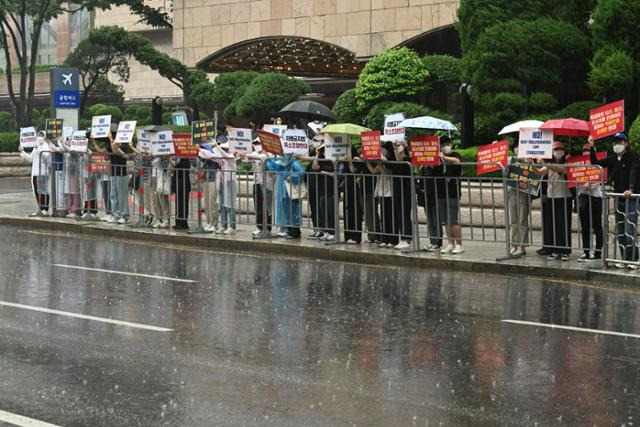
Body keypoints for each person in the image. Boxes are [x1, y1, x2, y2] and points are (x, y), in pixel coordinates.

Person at [589, 132, 640, 269]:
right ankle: (625, 259)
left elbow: (634, 171)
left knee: (630, 229)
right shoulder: (612, 159)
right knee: (621, 230)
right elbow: (595, 163)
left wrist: (631, 188)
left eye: (621, 142)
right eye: (615, 142)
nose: (618, 145)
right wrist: (592, 147)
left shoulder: (632, 156)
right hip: (619, 198)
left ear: (626, 144)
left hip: (631, 198)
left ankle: (633, 260)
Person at [534, 142, 572, 261]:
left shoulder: (566, 163)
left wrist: (545, 163)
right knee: (555, 225)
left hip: (564, 197)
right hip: (552, 197)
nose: (558, 151)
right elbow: (540, 172)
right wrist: (532, 164)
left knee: (564, 225)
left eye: (560, 149)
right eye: (555, 149)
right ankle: (556, 250)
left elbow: (560, 170)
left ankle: (565, 251)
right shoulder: (550, 164)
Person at [237, 139, 273, 236]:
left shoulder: (268, 154)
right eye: (255, 143)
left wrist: (246, 155)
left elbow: (260, 157)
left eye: (258, 143)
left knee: (266, 207)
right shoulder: (255, 152)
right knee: (258, 206)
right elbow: (246, 159)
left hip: (266, 184)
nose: (256, 145)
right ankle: (259, 227)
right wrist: (240, 154)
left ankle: (267, 228)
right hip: (256, 183)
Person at [266, 154, 305, 239]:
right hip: (284, 191)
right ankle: (290, 231)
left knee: (293, 211)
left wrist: (292, 177)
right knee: (287, 212)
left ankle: (295, 232)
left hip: (291, 191)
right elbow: (274, 167)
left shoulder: (294, 163)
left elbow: (302, 172)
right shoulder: (283, 165)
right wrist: (268, 159)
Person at [576, 143, 604, 262]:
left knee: (597, 226)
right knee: (585, 227)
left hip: (595, 198)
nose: (585, 153)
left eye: (588, 151)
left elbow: (597, 182)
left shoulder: (597, 166)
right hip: (583, 197)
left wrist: (588, 184)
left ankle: (598, 252)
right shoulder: (579, 166)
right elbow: (574, 180)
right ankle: (586, 252)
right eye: (584, 151)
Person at [438, 137, 464, 254]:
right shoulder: (438, 158)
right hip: (441, 191)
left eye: (446, 144)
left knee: (453, 220)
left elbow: (457, 161)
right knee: (445, 220)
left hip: (453, 192)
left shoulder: (455, 154)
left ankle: (459, 244)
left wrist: (444, 157)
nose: (444, 146)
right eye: (442, 145)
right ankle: (450, 243)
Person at [368, 146, 396, 248]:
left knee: (390, 217)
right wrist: (367, 161)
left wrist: (380, 163)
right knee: (384, 217)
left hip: (390, 192)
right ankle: (385, 238)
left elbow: (387, 172)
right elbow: (373, 171)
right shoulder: (382, 162)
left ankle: (392, 239)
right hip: (382, 191)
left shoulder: (391, 162)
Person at [507, 144, 532, 256]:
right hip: (512, 192)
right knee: (513, 220)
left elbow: (534, 174)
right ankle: (514, 245)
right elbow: (500, 164)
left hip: (523, 192)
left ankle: (522, 246)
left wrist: (527, 161)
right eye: (516, 148)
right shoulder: (510, 160)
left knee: (522, 219)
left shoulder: (528, 160)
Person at [19, 132, 52, 216]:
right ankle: (40, 208)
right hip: (35, 172)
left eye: (41, 135)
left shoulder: (45, 145)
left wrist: (38, 148)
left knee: (43, 191)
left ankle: (45, 209)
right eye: (39, 135)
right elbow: (31, 159)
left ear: (44, 137)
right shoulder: (36, 146)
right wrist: (22, 152)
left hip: (43, 172)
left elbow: (46, 156)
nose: (39, 137)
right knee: (37, 191)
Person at [210, 140, 237, 234]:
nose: (224, 150)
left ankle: (231, 226)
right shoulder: (222, 160)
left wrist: (217, 146)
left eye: (226, 149)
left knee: (230, 205)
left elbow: (225, 155)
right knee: (222, 205)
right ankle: (223, 225)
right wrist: (201, 149)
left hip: (230, 182)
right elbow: (211, 156)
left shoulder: (232, 158)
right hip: (221, 183)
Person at [339, 145, 363, 244]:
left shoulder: (355, 159)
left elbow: (353, 170)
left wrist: (349, 160)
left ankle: (356, 236)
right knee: (347, 210)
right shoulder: (343, 159)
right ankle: (347, 235)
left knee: (355, 211)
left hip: (355, 187)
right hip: (347, 186)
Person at [198, 143, 220, 233]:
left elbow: (211, 157)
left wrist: (203, 150)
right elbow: (200, 159)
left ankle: (214, 223)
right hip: (206, 180)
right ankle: (209, 223)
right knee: (206, 203)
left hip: (213, 179)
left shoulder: (215, 155)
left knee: (212, 203)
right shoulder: (205, 159)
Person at [61, 136, 82, 218]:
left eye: (69, 140)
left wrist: (63, 144)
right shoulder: (66, 151)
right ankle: (70, 209)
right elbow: (57, 149)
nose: (68, 141)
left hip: (74, 173)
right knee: (67, 192)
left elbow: (71, 151)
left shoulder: (76, 150)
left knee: (74, 192)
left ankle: (75, 210)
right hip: (67, 174)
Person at [171, 154, 192, 230]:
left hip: (184, 183)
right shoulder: (177, 157)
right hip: (178, 183)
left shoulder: (185, 158)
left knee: (183, 203)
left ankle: (183, 222)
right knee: (178, 203)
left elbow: (179, 167)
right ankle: (178, 222)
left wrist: (170, 160)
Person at [153, 155, 172, 229]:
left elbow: (165, 165)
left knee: (163, 198)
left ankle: (166, 219)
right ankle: (159, 219)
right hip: (154, 176)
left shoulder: (163, 154)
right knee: (156, 200)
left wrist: (160, 155)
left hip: (162, 176)